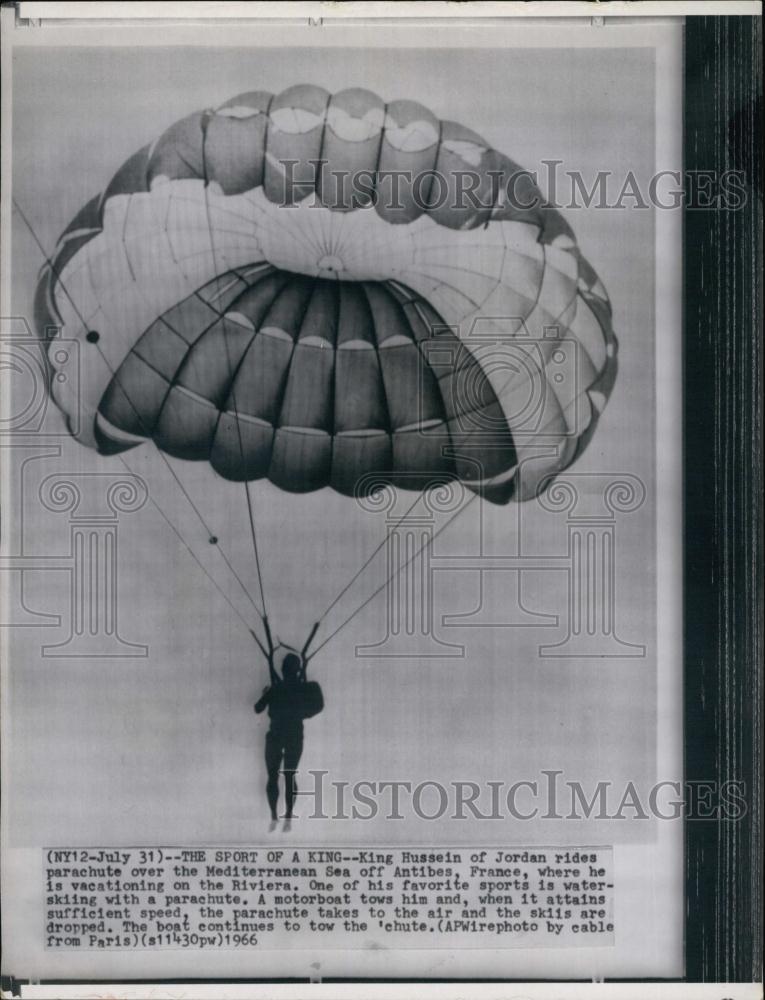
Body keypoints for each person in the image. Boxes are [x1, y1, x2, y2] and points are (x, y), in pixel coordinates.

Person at [253, 627, 319, 832]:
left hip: (276, 736)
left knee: (273, 776)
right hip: (294, 736)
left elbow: (257, 708)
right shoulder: (305, 688)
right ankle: (287, 816)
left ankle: (275, 815)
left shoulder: (277, 688)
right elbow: (316, 706)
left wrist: (267, 693)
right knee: (290, 775)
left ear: (283, 670)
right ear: (297, 670)